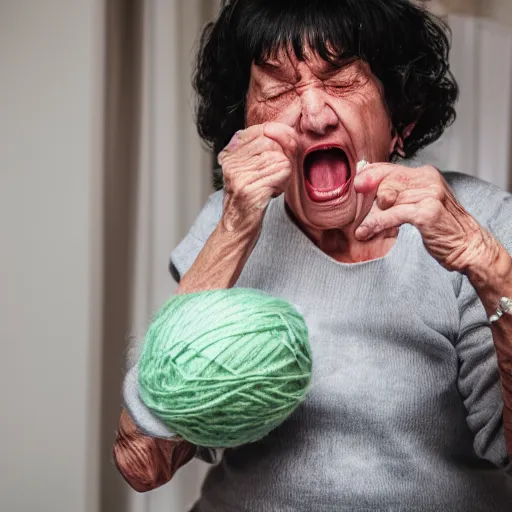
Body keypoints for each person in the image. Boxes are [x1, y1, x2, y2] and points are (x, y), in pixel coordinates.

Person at [113, 0, 512, 510]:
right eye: (278, 87)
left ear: (400, 117)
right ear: (245, 122)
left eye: (341, 79)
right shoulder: (228, 223)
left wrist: (485, 262)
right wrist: (234, 227)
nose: (313, 115)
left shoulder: (478, 221)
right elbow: (143, 461)